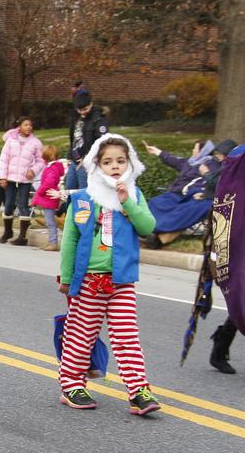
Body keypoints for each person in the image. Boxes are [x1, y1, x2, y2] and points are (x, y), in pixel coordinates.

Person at [58, 134, 161, 416]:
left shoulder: (135, 195)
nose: (115, 166)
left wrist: (127, 203)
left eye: (120, 160)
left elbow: (148, 227)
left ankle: (138, 390)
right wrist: (66, 278)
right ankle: (71, 384)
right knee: (82, 334)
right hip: (90, 280)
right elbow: (69, 241)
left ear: (130, 163)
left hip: (122, 280)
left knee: (127, 336)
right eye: (107, 162)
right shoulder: (82, 199)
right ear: (96, 165)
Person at [142, 139, 237, 249]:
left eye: (195, 148)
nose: (193, 150)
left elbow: (219, 185)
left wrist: (205, 188)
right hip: (183, 193)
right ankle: (147, 228)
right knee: (157, 202)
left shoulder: (215, 165)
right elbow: (174, 161)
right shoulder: (191, 162)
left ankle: (158, 234)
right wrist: (157, 151)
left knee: (186, 210)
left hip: (199, 195)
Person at [0, 117, 44, 245]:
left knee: (23, 205)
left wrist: (33, 170)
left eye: (30, 125)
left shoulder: (36, 143)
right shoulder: (11, 141)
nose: (29, 127)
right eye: (26, 125)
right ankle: (8, 231)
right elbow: (4, 159)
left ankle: (22, 236)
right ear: (19, 127)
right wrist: (2, 177)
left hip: (25, 180)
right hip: (10, 178)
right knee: (9, 205)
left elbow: (41, 160)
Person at [65, 92, 108, 190]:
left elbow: (102, 142)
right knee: (69, 190)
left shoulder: (98, 119)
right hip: (74, 160)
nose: (82, 112)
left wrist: (87, 158)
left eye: (85, 109)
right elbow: (74, 138)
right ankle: (70, 205)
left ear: (91, 104)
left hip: (87, 163)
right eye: (80, 110)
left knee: (84, 192)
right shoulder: (76, 117)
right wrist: (69, 155)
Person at [32, 144, 66, 251]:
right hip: (50, 196)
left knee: (50, 222)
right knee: (50, 221)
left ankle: (53, 242)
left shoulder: (51, 168)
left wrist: (40, 191)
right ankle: (51, 241)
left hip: (48, 196)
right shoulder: (54, 167)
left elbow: (48, 182)